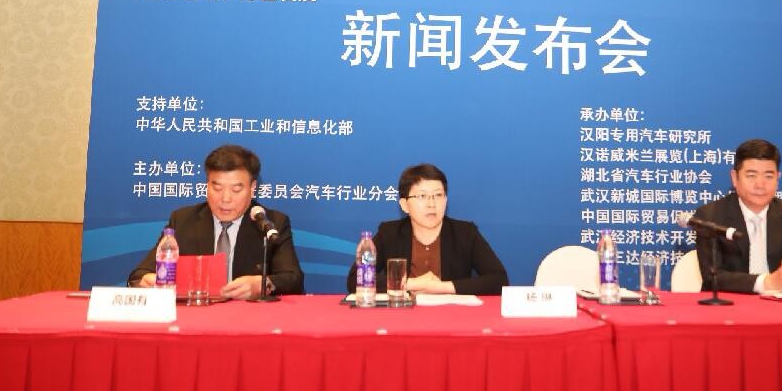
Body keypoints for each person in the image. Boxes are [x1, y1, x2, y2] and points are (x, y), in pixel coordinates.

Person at [128, 144, 304, 298]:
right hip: (195, 317)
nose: (225, 199)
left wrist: (264, 284)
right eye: (217, 188)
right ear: (207, 185)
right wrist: (147, 280)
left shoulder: (270, 223)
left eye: (236, 190)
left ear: (252, 188)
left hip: (249, 318)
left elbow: (293, 280)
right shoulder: (182, 220)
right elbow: (139, 275)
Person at [345, 163, 508, 295]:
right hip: (402, 317)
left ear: (446, 200)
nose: (431, 204)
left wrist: (442, 287)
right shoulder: (390, 233)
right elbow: (355, 279)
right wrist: (413, 283)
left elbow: (499, 280)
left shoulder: (465, 233)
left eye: (438, 195)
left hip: (452, 317)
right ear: (404, 205)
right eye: (422, 196)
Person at [693, 139, 782, 294]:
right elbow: (713, 277)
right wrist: (766, 282)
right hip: (731, 304)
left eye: (768, 176)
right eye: (751, 176)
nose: (760, 185)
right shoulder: (710, 216)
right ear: (735, 178)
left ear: (778, 178)